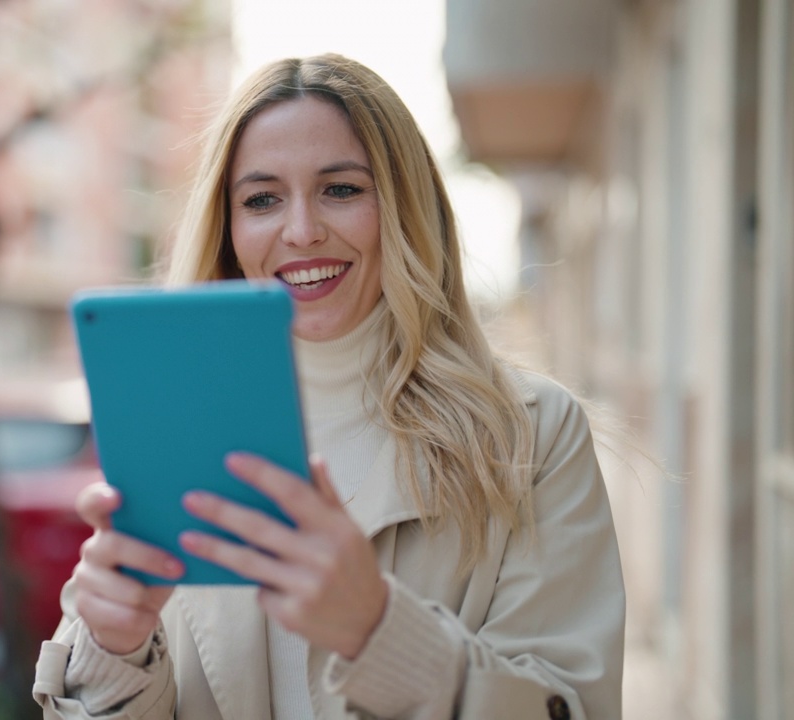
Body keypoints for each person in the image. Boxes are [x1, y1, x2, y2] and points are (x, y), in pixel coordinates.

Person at [32, 53, 625, 720]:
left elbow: (574, 706)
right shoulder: (172, 431)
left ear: (403, 205)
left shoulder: (533, 434)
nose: (302, 230)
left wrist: (380, 631)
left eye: (340, 189)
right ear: (228, 229)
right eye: (261, 199)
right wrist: (115, 654)